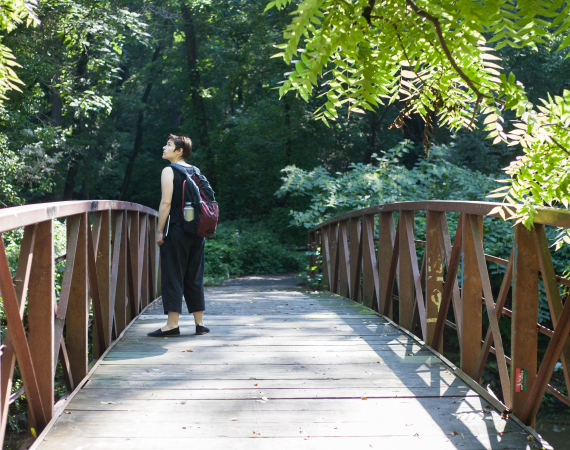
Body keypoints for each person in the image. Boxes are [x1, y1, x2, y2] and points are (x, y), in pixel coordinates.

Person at [147, 134, 210, 337]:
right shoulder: (196, 171)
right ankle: (199, 324)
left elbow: (165, 204)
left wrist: (159, 231)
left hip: (177, 230)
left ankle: (172, 325)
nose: (164, 148)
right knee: (194, 275)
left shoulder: (169, 170)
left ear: (179, 151)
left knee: (173, 273)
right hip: (197, 231)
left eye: (169, 145)